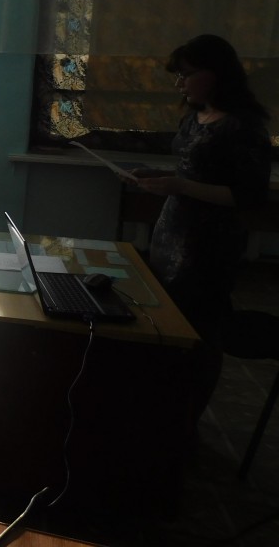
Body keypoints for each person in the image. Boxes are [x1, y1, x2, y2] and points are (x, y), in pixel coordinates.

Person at [133, 34, 271, 417]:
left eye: (187, 74)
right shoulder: (194, 118)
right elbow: (190, 172)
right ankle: (162, 405)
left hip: (209, 243)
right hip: (172, 233)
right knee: (167, 320)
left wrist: (180, 186)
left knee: (200, 328)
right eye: (177, 75)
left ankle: (188, 415)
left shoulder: (243, 127)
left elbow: (249, 196)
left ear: (217, 74)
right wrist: (157, 178)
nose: (180, 83)